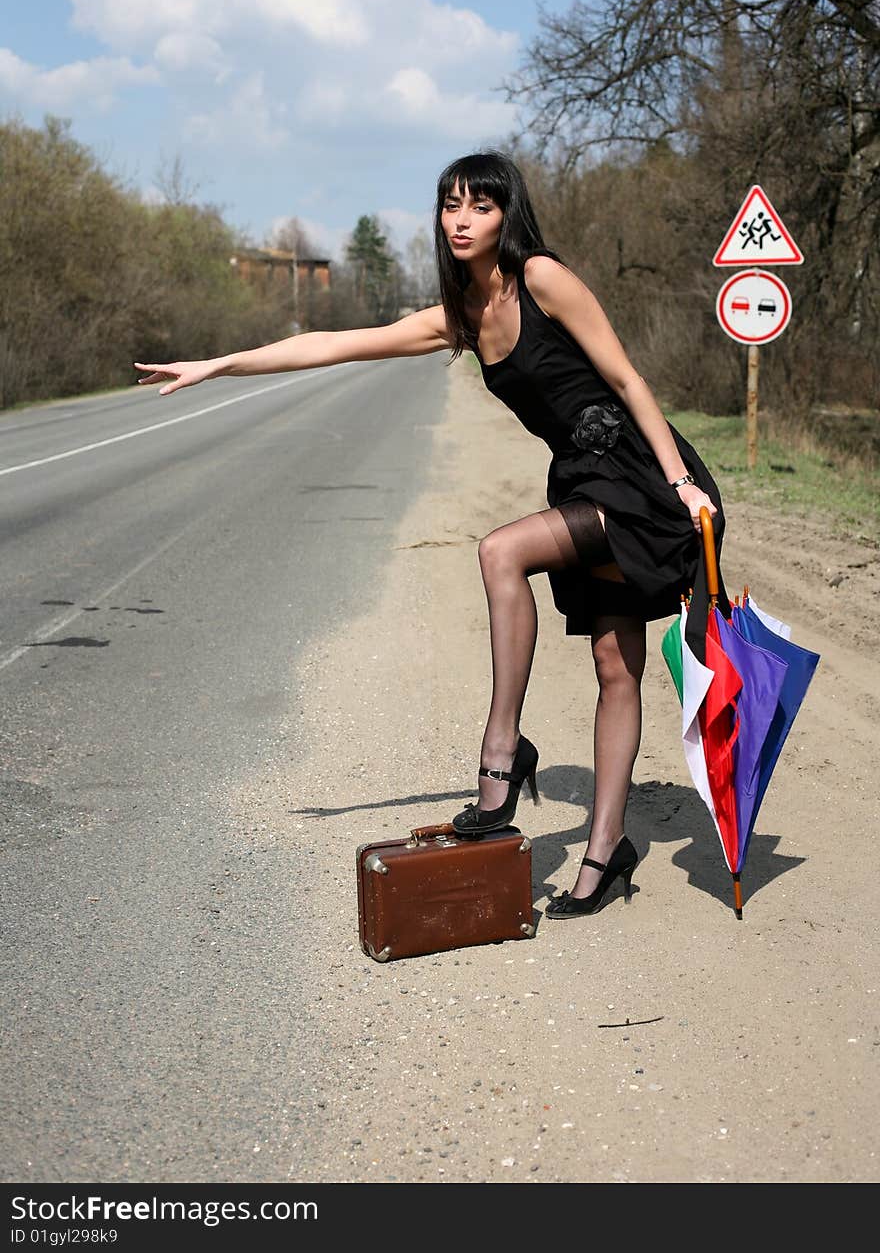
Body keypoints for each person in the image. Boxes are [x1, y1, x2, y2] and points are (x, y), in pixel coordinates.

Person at [134, 150, 727, 918]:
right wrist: (217, 364)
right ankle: (604, 849)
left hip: (646, 480)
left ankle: (502, 753)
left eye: (479, 206)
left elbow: (627, 379)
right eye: (450, 205)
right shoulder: (460, 319)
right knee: (615, 662)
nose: (460, 219)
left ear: (506, 216)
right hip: (584, 485)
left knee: (503, 551)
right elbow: (333, 343)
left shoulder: (542, 277)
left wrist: (681, 482)